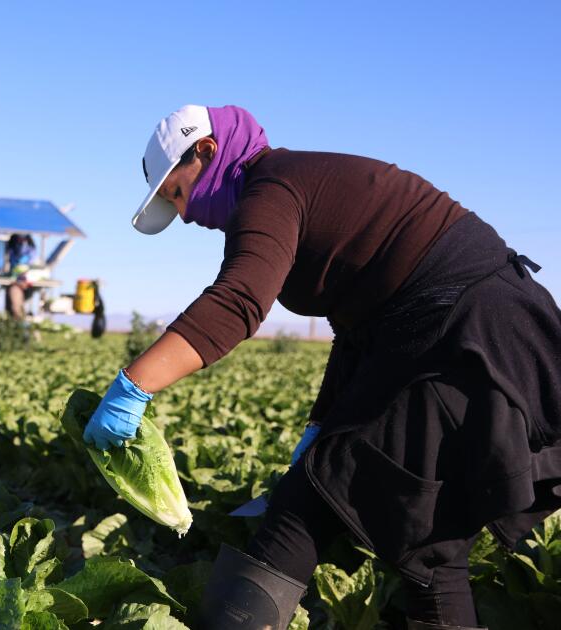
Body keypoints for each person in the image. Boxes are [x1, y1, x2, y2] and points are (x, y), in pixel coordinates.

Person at [82, 104, 561, 630]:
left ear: (207, 151)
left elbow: (239, 301)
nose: (187, 215)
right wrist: (321, 421)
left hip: (460, 328)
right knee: (432, 545)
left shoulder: (273, 188)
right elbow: (357, 328)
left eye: (178, 193)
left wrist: (133, 386)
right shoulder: (289, 186)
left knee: (305, 506)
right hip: (463, 325)